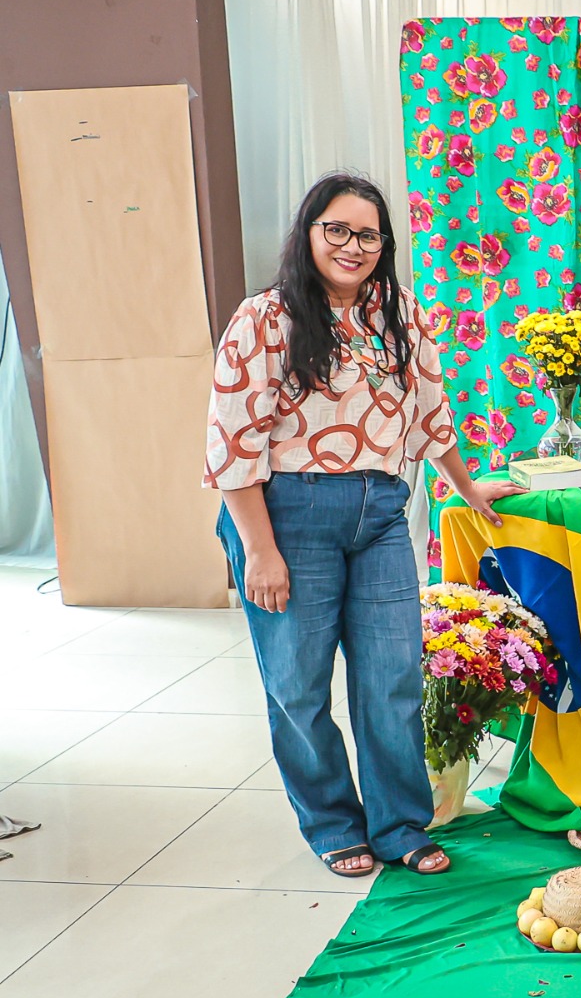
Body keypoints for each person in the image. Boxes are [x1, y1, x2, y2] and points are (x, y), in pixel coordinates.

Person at [204, 173, 520, 878]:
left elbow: (431, 410)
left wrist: (467, 487)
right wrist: (258, 550)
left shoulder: (398, 312)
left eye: (368, 235)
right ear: (309, 232)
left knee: (391, 678)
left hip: (379, 514)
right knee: (298, 685)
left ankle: (400, 825)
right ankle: (332, 824)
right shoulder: (264, 318)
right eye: (338, 230)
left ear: (385, 243)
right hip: (287, 516)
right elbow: (231, 443)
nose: (353, 246)